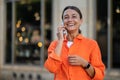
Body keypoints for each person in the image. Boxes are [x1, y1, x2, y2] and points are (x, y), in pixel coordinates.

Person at [44, 6, 105, 80]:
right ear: (63, 22)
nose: (70, 20)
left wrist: (84, 63)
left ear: (81, 21)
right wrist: (60, 40)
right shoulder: (55, 44)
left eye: (74, 16)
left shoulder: (92, 44)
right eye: (66, 17)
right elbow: (51, 68)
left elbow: (100, 75)